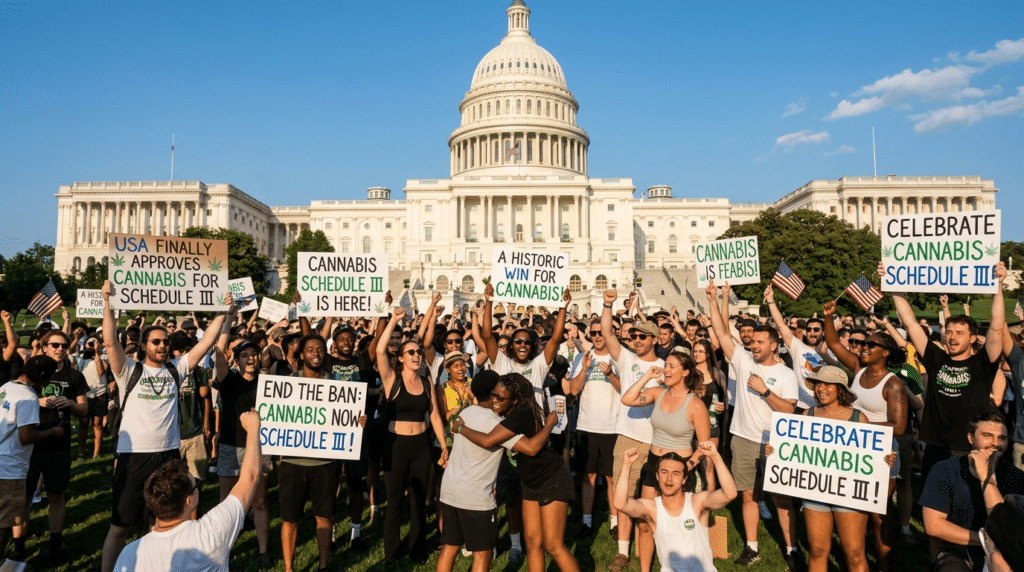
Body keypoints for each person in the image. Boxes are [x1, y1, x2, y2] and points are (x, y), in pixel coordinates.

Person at [99, 281, 229, 572]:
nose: (162, 345)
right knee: (120, 526)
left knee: (159, 525)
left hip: (169, 456)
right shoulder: (129, 371)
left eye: (165, 342)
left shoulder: (176, 369)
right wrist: (107, 303)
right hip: (134, 457)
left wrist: (221, 312)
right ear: (144, 346)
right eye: (156, 342)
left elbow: (205, 342)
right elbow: (110, 343)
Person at [884, 261, 1007, 481]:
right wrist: (892, 283)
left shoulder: (983, 363)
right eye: (949, 332)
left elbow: (997, 327)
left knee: (967, 510)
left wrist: (999, 286)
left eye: (960, 333)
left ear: (972, 338)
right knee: (933, 509)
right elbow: (910, 323)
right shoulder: (935, 358)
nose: (952, 337)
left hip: (970, 447)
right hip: (935, 445)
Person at [706, 280, 800, 568]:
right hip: (743, 439)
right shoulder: (744, 361)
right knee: (748, 495)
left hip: (774, 442)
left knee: (781, 499)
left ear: (774, 345)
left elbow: (789, 409)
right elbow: (722, 333)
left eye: (760, 343)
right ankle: (752, 546)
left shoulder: (785, 375)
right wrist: (713, 298)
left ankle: (791, 549)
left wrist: (764, 391)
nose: (753, 345)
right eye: (752, 342)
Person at [454, 373, 578, 572]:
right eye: (493, 395)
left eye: (500, 398)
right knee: (531, 542)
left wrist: (461, 428)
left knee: (553, 545)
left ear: (516, 400)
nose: (494, 401)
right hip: (530, 483)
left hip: (551, 480)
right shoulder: (506, 413)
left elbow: (490, 441)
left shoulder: (521, 414)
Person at [112, 410, 265, 572]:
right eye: (195, 485)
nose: (197, 487)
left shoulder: (130, 554)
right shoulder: (212, 533)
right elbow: (251, 477)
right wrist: (253, 429)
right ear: (189, 501)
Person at [620, 347, 712, 572]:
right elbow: (627, 399)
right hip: (653, 465)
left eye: (672, 366)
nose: (666, 370)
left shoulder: (696, 405)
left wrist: (686, 468)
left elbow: (704, 447)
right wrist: (647, 377)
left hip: (681, 468)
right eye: (665, 365)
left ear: (686, 372)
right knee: (644, 522)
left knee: (678, 526)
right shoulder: (656, 392)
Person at [376, 309, 449, 567]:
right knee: (395, 501)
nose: (417, 355)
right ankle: (391, 554)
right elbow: (379, 351)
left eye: (418, 352)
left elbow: (436, 417)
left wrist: (444, 447)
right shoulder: (391, 379)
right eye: (411, 352)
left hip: (421, 446)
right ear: (401, 358)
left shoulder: (427, 382)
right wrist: (394, 320)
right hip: (395, 446)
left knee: (419, 501)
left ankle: (417, 550)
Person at [600, 290, 664, 572]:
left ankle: (651, 548)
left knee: (650, 501)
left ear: (654, 339)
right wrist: (607, 304)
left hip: (656, 440)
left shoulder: (665, 367)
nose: (635, 340)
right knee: (624, 498)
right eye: (634, 336)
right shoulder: (625, 359)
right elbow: (607, 332)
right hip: (627, 436)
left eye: (642, 337)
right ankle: (623, 552)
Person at [11, 330, 88, 565]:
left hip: (59, 444)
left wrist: (71, 404)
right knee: (23, 499)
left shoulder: (74, 376)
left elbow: (85, 411)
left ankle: (55, 547)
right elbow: (15, 395)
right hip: (29, 445)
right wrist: (38, 401)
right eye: (54, 345)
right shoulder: (30, 372)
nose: (60, 349)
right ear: (44, 347)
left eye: (64, 345)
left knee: (57, 496)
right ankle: (19, 550)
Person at [919, 410, 1024, 572]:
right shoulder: (944, 470)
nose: (995, 443)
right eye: (987, 435)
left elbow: (1009, 527)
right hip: (958, 550)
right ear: (970, 438)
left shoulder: (1017, 478)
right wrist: (985, 540)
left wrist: (985, 477)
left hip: (1006, 556)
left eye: (1002, 438)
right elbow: (933, 526)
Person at [278, 334, 346, 572]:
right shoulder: (288, 384)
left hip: (324, 462)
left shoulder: (336, 385)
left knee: (324, 517)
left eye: (319, 350)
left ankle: (323, 566)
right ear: (301, 354)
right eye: (310, 350)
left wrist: (357, 420)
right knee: (289, 518)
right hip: (293, 462)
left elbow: (344, 418)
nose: (316, 354)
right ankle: (289, 568)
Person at [612, 445, 737, 572]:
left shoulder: (696, 502)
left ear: (684, 479)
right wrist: (627, 465)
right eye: (664, 472)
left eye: (676, 473)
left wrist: (716, 457)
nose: (669, 479)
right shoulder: (652, 508)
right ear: (657, 476)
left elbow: (730, 494)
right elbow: (620, 503)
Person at [212, 339, 273, 568]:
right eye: (244, 355)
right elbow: (218, 352)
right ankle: (221, 550)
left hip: (259, 447)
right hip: (230, 446)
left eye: (254, 353)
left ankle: (263, 550)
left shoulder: (268, 385)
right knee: (226, 503)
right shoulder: (227, 381)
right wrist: (226, 319)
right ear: (236, 361)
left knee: (260, 501)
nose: (250, 358)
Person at [0, 356, 64, 560]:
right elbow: (27, 436)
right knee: (3, 524)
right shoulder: (28, 397)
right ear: (43, 376)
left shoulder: (7, 386)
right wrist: (52, 432)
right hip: (9, 469)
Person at [567, 319, 620, 539]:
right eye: (593, 333)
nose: (597, 337)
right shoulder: (581, 358)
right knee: (588, 476)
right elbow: (572, 390)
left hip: (613, 425)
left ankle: (615, 522)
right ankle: (587, 521)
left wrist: (610, 374)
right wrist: (584, 370)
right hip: (586, 425)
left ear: (610, 333)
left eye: (601, 332)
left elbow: (625, 388)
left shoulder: (619, 357)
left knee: (612, 478)